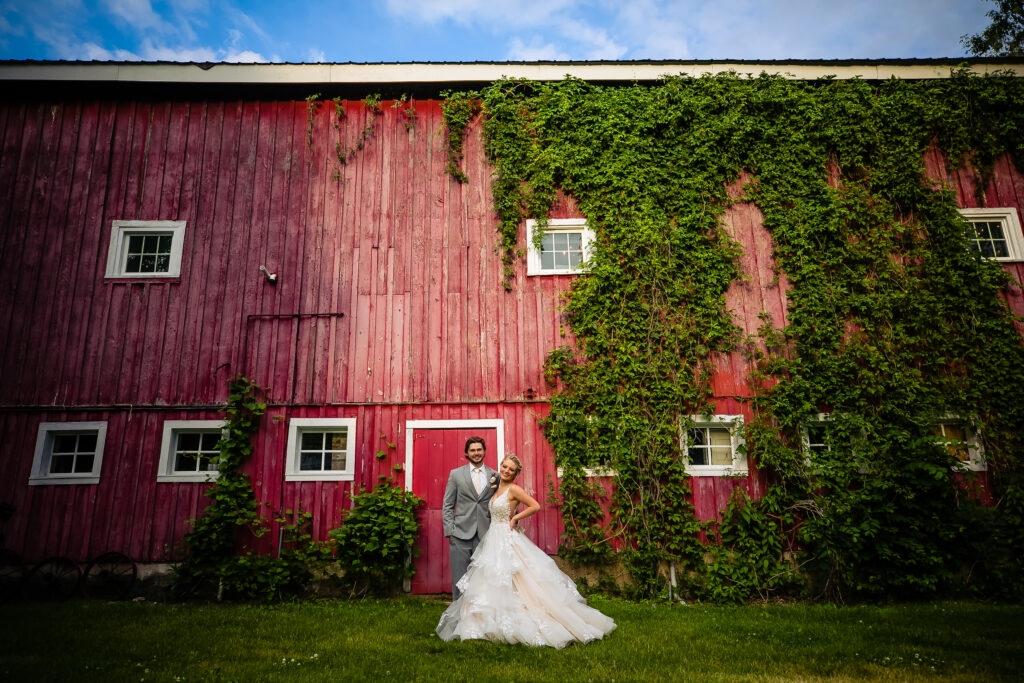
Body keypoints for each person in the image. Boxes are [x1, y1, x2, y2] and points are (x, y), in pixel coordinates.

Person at [436, 455, 616, 648]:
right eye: (504, 466)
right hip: (493, 537)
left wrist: (515, 518)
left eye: (511, 469)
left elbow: (535, 506)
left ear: (516, 473)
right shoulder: (497, 488)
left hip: (506, 536)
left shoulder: (514, 489)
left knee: (515, 578)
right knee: (492, 579)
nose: (505, 470)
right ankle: (490, 620)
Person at [442, 436, 495, 599]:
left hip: (486, 535)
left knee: (485, 578)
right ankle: (458, 617)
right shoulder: (456, 474)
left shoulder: (495, 475)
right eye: (472, 450)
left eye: (479, 449)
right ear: (467, 453)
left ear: (484, 451)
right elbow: (447, 504)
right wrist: (450, 530)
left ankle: (480, 615)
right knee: (459, 580)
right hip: (460, 534)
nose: (476, 453)